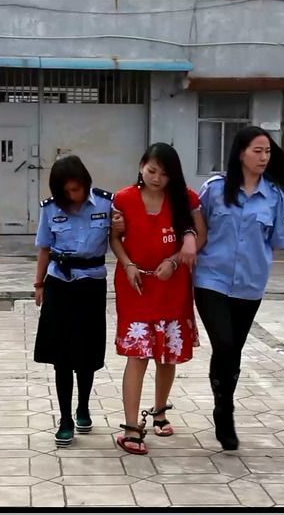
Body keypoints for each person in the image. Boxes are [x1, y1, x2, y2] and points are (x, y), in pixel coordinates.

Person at [193, 126, 284, 450]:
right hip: (210, 279)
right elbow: (194, 225)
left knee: (234, 351)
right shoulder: (214, 190)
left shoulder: (275, 197)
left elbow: (278, 242)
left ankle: (223, 401)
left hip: (249, 284)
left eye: (267, 151)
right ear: (240, 153)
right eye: (257, 150)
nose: (263, 157)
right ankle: (224, 411)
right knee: (225, 345)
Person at [108, 142, 207, 455]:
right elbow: (114, 238)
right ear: (141, 166)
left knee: (167, 353)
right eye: (152, 171)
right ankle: (130, 427)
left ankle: (160, 410)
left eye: (164, 174)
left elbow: (199, 235)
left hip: (172, 286)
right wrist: (127, 264)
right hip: (136, 286)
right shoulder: (123, 199)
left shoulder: (185, 198)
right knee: (137, 354)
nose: (156, 178)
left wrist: (176, 260)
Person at [33, 155, 113, 448]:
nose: (72, 196)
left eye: (76, 189)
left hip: (91, 284)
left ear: (85, 183)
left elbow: (119, 240)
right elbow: (44, 249)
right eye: (66, 192)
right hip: (59, 284)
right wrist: (39, 284)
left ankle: (83, 407)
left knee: (87, 354)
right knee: (61, 355)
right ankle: (65, 418)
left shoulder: (107, 204)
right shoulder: (50, 208)